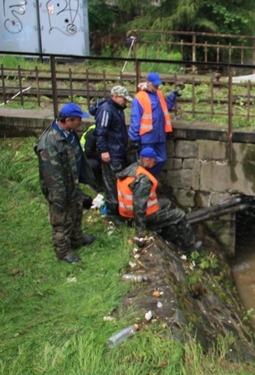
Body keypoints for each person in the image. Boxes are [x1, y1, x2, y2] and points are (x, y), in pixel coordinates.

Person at [34, 102, 96, 263]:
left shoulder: (69, 133)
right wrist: (59, 197)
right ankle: (63, 251)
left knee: (76, 211)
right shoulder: (49, 143)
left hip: (72, 183)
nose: (81, 122)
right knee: (61, 219)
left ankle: (77, 238)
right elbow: (52, 176)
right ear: (68, 120)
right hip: (60, 188)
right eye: (78, 119)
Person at [116, 147, 202, 254]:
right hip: (138, 216)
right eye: (154, 160)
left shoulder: (132, 169)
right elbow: (139, 207)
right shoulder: (143, 180)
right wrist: (141, 231)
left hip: (125, 212)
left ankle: (167, 233)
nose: (155, 162)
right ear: (147, 160)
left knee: (166, 203)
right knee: (179, 215)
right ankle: (188, 246)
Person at [90, 85, 133, 225]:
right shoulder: (106, 110)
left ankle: (119, 213)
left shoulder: (117, 109)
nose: (125, 102)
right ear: (115, 96)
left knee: (118, 184)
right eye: (124, 99)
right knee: (111, 185)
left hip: (118, 152)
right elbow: (100, 132)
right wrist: (104, 151)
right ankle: (113, 216)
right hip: (112, 154)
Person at [128, 72, 179, 177]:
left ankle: (148, 178)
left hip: (159, 136)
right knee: (144, 163)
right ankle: (142, 181)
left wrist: (172, 96)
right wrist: (134, 138)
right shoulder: (139, 97)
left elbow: (165, 108)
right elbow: (135, 119)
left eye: (158, 85)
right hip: (147, 137)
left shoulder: (158, 94)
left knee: (161, 159)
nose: (157, 87)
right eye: (155, 85)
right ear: (148, 83)